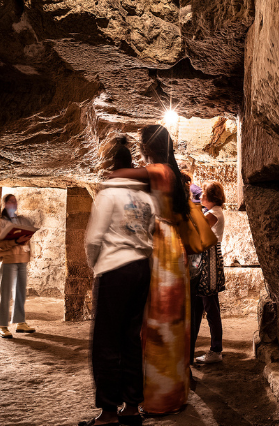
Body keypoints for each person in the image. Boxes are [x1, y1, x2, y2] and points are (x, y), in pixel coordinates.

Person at [108, 124, 192, 415]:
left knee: (158, 324)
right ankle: (171, 393)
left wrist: (118, 151)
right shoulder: (172, 173)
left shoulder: (160, 171)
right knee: (168, 324)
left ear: (148, 147)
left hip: (161, 250)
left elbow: (118, 175)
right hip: (171, 249)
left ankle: (159, 397)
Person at [82, 136, 156, 426]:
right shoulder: (147, 198)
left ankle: (108, 412)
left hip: (114, 269)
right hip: (141, 268)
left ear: (113, 164)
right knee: (131, 338)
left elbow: (93, 238)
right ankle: (132, 407)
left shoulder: (108, 194)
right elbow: (150, 233)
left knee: (106, 341)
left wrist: (96, 266)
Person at [192, 181, 227, 364]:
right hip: (207, 261)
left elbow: (196, 227)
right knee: (200, 306)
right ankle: (193, 347)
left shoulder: (213, 214)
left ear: (211, 197)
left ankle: (216, 350)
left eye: (203, 193)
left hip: (209, 263)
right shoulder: (212, 212)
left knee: (210, 307)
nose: (200, 196)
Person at [0, 194, 36, 338]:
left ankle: (20, 322)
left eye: (15, 201)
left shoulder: (21, 219)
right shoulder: (1, 222)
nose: (14, 203)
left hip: (22, 259)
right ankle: (2, 325)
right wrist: (16, 241)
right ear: (5, 204)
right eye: (11, 201)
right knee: (4, 293)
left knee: (20, 293)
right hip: (8, 259)